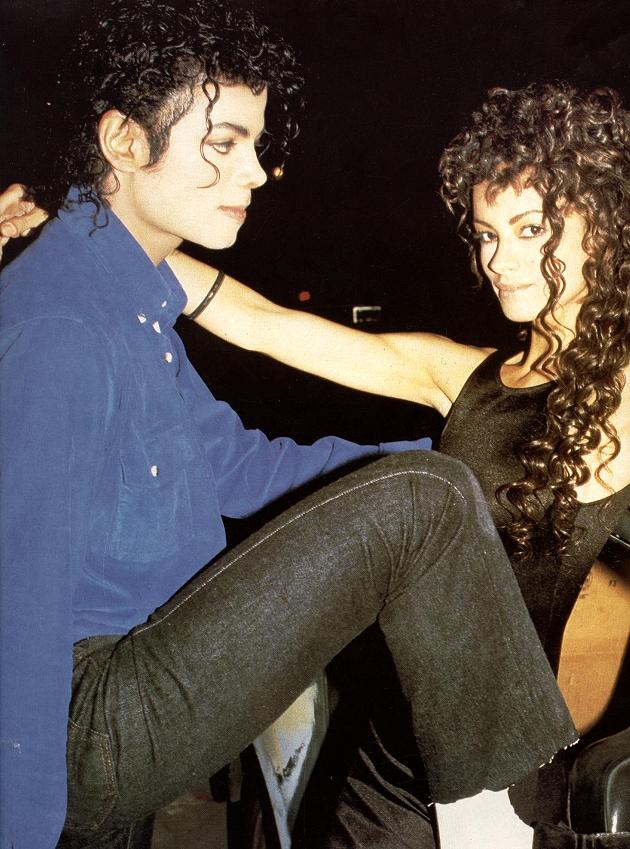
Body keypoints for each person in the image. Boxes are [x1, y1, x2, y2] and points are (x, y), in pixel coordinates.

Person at [0, 5, 580, 849]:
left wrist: (443, 467)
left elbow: (238, 465)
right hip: (88, 717)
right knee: (422, 498)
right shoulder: (58, 322)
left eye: (256, 144)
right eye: (225, 142)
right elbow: (15, 604)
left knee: (425, 491)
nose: (256, 171)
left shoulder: (129, 301)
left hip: (136, 685)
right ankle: (492, 823)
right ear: (124, 140)